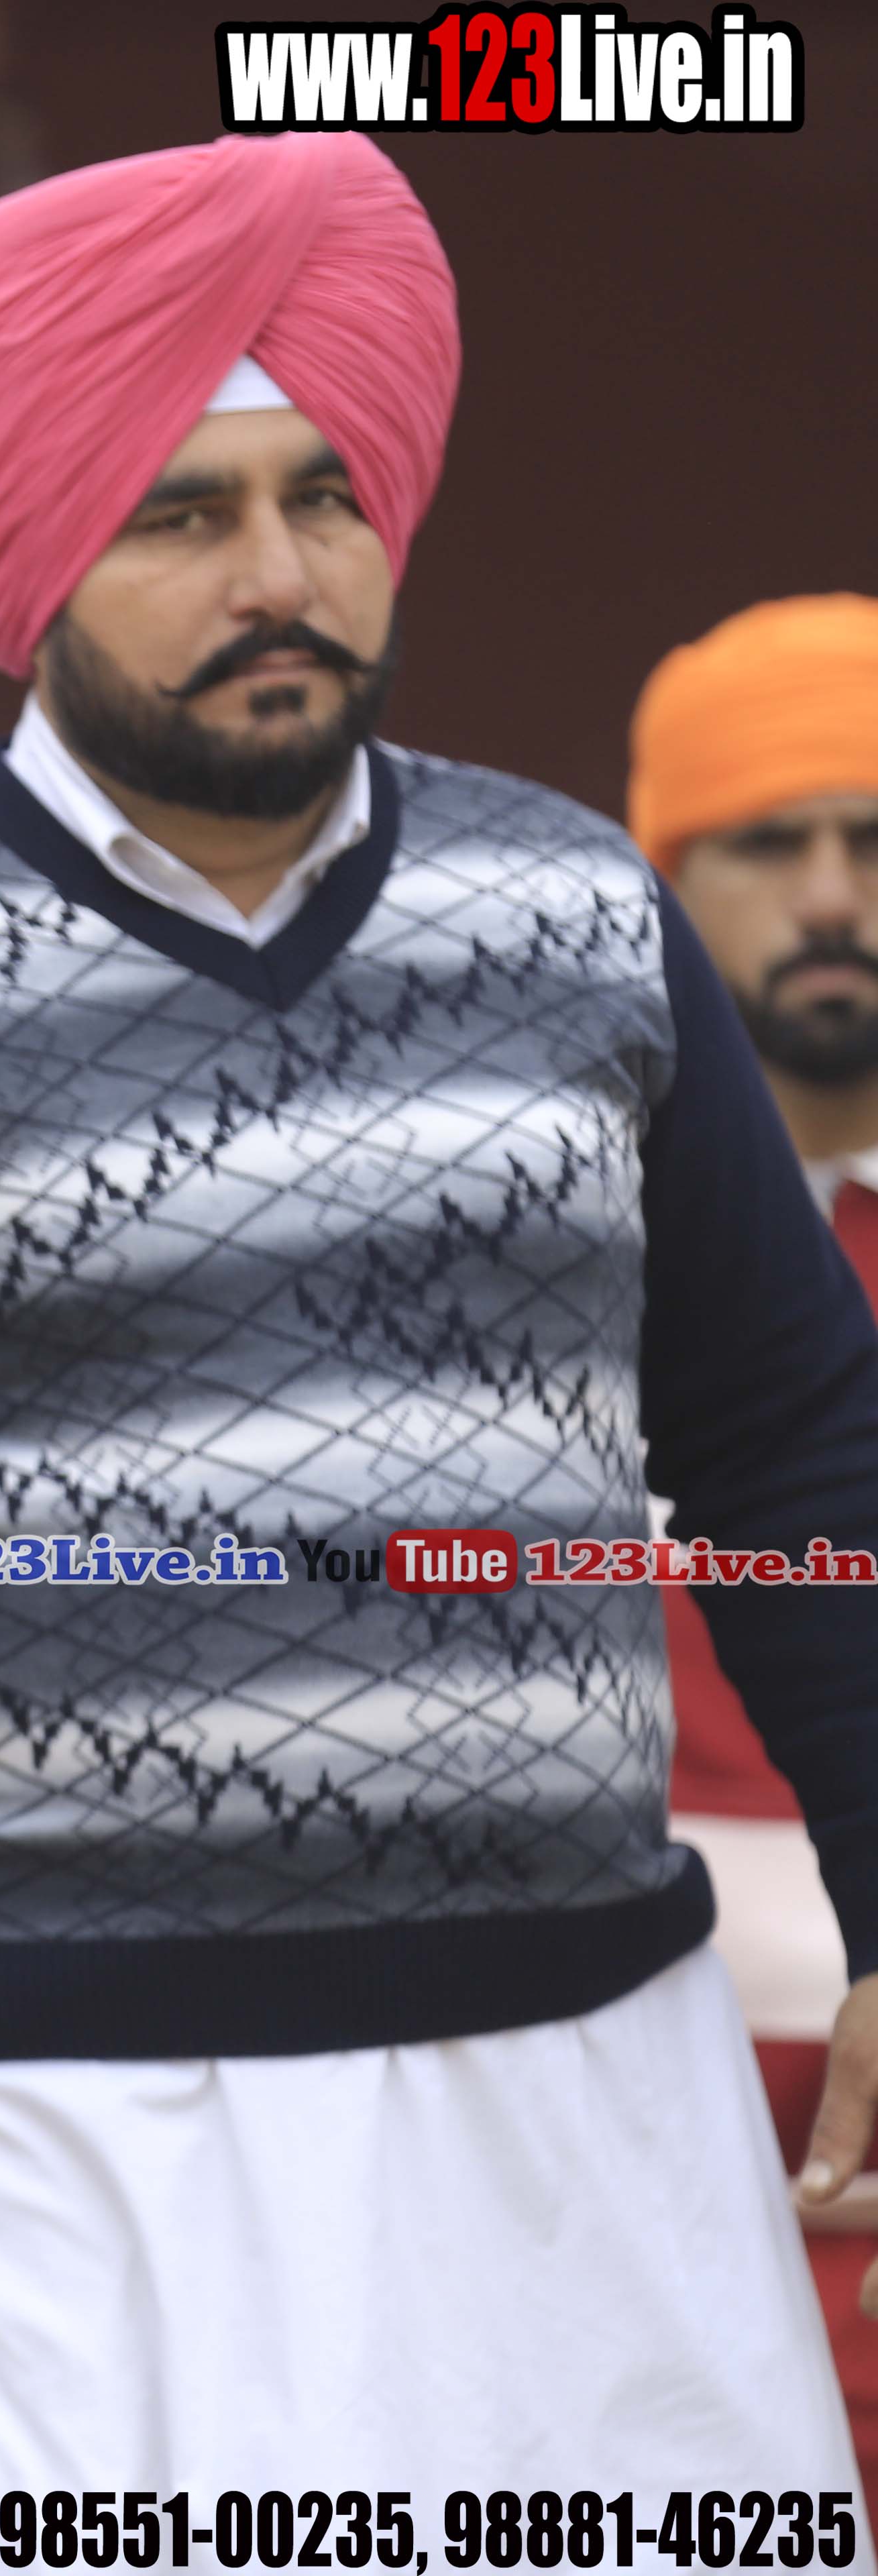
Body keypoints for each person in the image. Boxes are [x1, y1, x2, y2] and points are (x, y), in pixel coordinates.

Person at [0, 133, 868, 2491]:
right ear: (35, 552)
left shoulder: (584, 922)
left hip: (583, 2113)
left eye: (321, 497)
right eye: (181, 514)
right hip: (22, 2155)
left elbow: (798, 1444)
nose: (278, 574)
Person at [635, 592, 878, 2486]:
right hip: (613, 2118)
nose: (830, 897)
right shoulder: (547, 1247)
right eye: (769, 841)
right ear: (662, 879)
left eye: (872, 841)